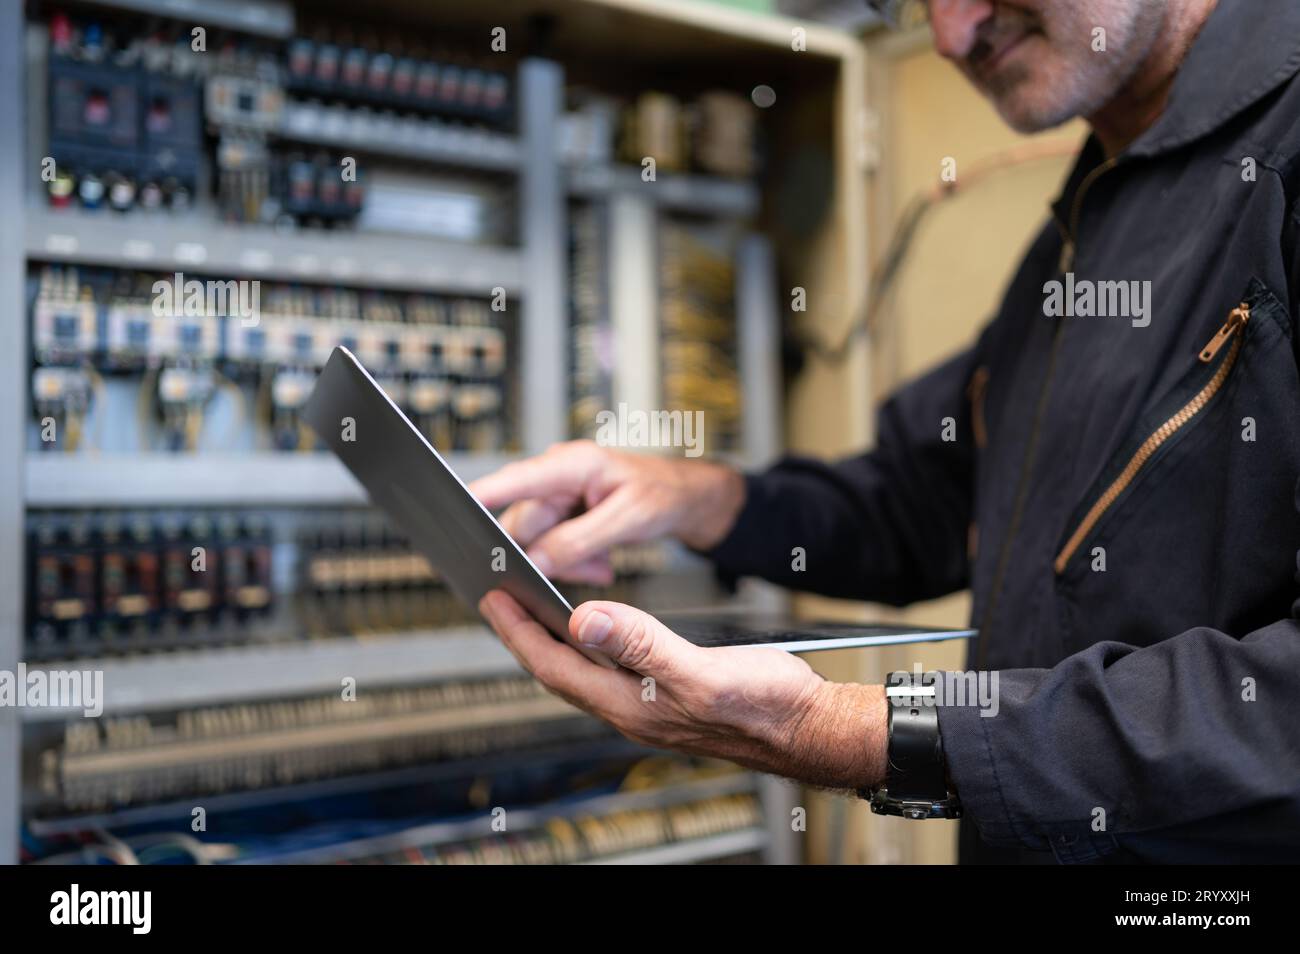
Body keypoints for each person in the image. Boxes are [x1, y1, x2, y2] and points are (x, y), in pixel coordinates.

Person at [471, 0, 1300, 863]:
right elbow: (921, 507)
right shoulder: (1084, 230)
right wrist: (699, 500)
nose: (948, 35)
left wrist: (846, 732)